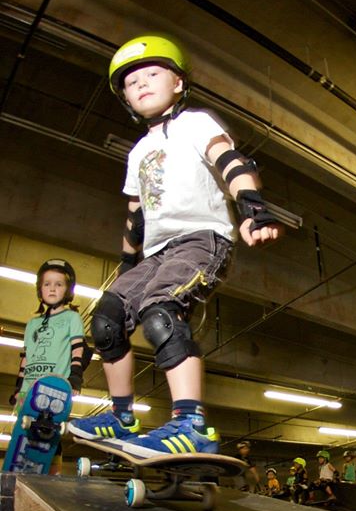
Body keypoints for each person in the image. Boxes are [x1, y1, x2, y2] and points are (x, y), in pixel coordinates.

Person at [69, 34, 282, 455]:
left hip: (202, 238)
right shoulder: (138, 151)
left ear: (178, 83)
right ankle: (121, 417)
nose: (141, 84)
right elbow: (136, 215)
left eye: (152, 74)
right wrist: (126, 265)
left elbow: (230, 162)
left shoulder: (196, 123)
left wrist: (252, 208)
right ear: (126, 99)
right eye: (132, 83)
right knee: (107, 318)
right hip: (155, 252)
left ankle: (191, 424)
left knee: (160, 312)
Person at [10, 259, 86, 475]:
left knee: (48, 435)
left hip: (53, 388)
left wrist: (75, 377)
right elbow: (26, 356)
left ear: (67, 290)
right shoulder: (32, 324)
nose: (52, 289)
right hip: (28, 390)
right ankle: (19, 478)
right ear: (40, 289)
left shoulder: (72, 317)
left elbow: (78, 348)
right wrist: (18, 387)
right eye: (47, 284)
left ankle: (52, 478)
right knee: (21, 435)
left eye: (59, 284)